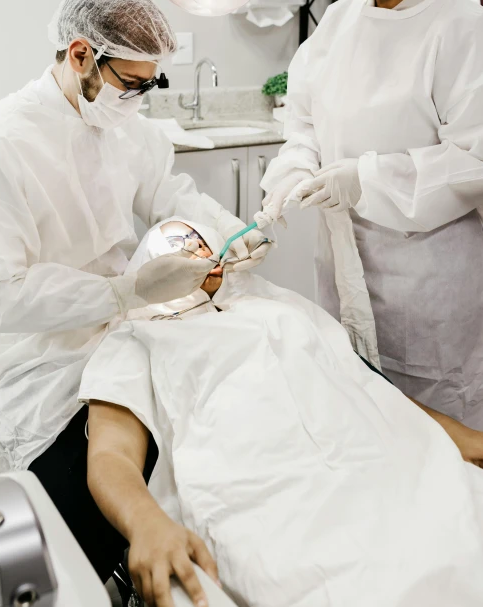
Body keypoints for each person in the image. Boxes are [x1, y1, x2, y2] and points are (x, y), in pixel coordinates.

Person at [0, 0, 271, 584]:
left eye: (151, 83)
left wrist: (236, 231)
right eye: (132, 82)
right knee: (105, 473)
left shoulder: (131, 127)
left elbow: (170, 196)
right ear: (80, 55)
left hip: (128, 326)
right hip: (35, 353)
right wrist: (122, 292)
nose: (140, 98)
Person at [81, 217, 483, 607]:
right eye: (179, 246)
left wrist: (457, 433)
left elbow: (363, 385)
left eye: (201, 242)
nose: (198, 252)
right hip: (261, 488)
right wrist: (144, 522)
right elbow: (110, 453)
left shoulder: (271, 305)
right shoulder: (135, 337)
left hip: (375, 462)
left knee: (456, 536)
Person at [261, 0, 483, 428]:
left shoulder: (461, 31)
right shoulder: (339, 22)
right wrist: (293, 167)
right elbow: (303, 119)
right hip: (343, 270)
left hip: (428, 289)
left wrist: (365, 179)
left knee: (440, 441)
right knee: (360, 419)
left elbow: (476, 159)